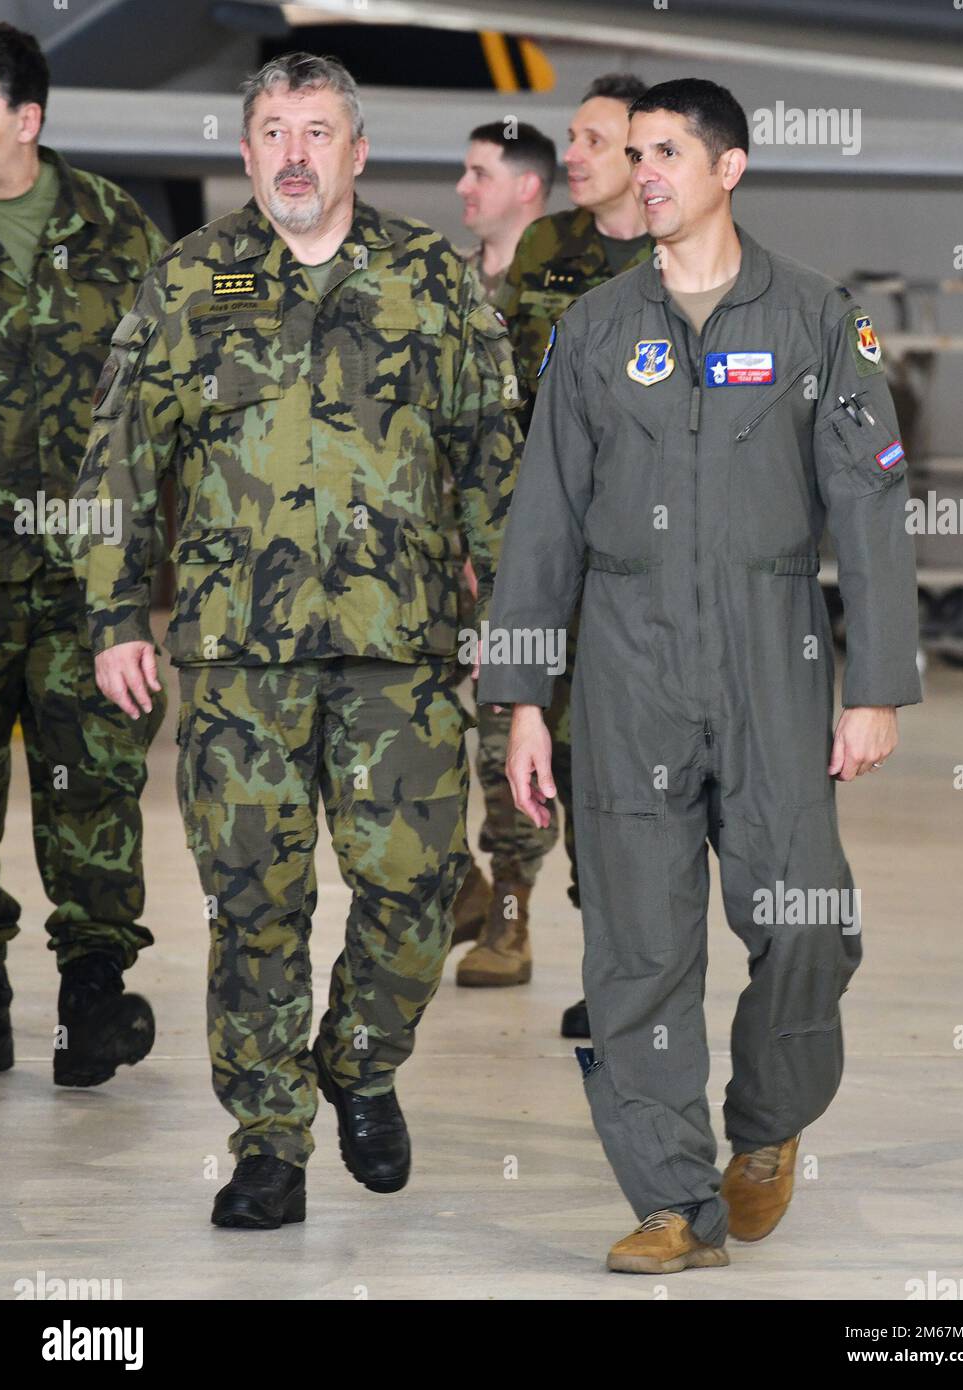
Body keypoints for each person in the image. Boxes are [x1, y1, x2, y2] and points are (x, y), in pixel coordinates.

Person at [477, 78, 921, 1274]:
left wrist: (873, 684)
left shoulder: (820, 319)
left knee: (807, 916)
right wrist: (522, 698)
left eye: (666, 151)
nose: (646, 170)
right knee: (636, 945)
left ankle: (767, 1121)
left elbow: (868, 503)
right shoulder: (594, 330)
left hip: (772, 652)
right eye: (635, 151)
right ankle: (674, 1199)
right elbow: (542, 523)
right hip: (624, 664)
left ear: (729, 168)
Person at [74, 52, 521, 1229]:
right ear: (245, 151)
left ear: (357, 152)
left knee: (416, 887)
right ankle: (269, 1140)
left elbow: (491, 459)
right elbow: (117, 458)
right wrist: (117, 615)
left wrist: (515, 636)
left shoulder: (429, 277)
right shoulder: (189, 279)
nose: (293, 154)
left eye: (316, 132)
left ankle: (361, 1061)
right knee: (254, 906)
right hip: (236, 661)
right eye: (273, 131)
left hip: (404, 650)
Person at [0, 21, 167, 1085]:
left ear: (27, 118)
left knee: (94, 783)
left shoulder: (116, 229)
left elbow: (165, 393)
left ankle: (94, 998)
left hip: (79, 575)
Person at [489, 74, 653, 1030]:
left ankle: (616, 970)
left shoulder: (681, 258)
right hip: (548, 547)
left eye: (592, 140)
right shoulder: (549, 248)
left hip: (638, 558)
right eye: (570, 139)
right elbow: (507, 396)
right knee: (522, 742)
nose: (572, 157)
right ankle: (507, 913)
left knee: (621, 765)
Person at [449, 119, 559, 986]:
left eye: (479, 172)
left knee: (504, 739)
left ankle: (510, 921)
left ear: (528, 187)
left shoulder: (566, 290)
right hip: (434, 555)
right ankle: (456, 886)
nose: (462, 187)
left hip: (523, 555)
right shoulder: (442, 287)